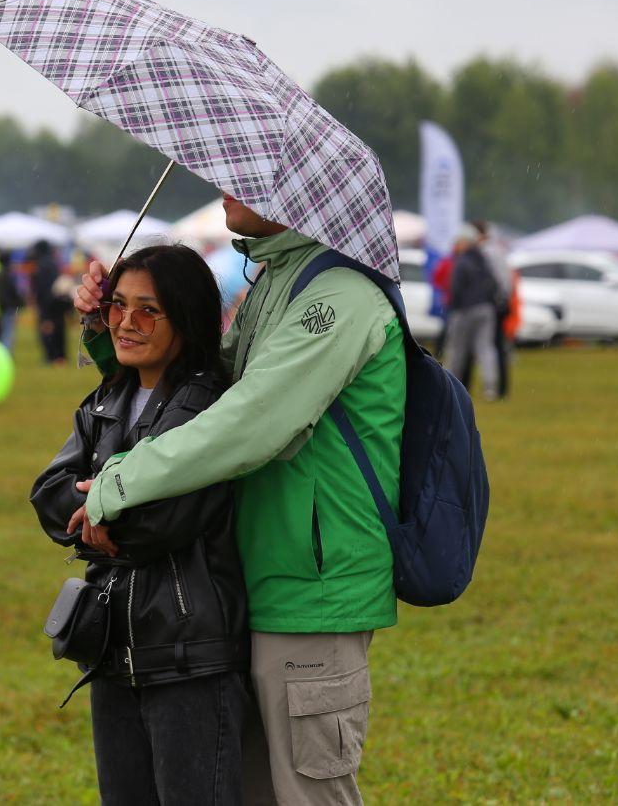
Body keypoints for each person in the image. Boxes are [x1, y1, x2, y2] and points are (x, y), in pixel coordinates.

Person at [74, 195, 406, 804]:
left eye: (245, 181)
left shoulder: (340, 297)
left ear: (298, 190)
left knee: (310, 798)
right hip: (250, 587)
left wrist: (121, 481)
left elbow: (249, 422)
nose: (228, 189)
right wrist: (110, 330)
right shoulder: (279, 280)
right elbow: (198, 384)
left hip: (314, 593)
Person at [32, 244, 249, 805]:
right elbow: (48, 492)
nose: (127, 322)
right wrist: (94, 513)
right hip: (112, 647)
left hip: (189, 656)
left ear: (189, 318)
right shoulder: (108, 397)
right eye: (119, 306)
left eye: (149, 310)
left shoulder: (208, 406)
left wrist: (99, 513)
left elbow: (165, 521)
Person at [443, 225, 500, 401]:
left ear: (464, 242)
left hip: (464, 310)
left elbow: (456, 288)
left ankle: (450, 387)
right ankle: (490, 388)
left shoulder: (461, 261)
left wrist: (452, 308)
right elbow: (494, 283)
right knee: (485, 348)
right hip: (486, 308)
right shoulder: (483, 259)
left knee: (457, 350)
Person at [474, 220, 512, 398]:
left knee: (494, 346)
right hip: (499, 302)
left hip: (494, 303)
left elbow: (498, 279)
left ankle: (499, 387)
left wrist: (499, 299)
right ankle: (501, 387)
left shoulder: (487, 252)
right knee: (497, 346)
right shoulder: (496, 249)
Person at [32, 240, 70, 365]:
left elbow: (43, 289)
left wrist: (44, 311)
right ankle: (60, 356)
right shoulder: (53, 263)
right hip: (57, 304)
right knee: (59, 330)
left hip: (47, 306)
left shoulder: (42, 266)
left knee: (48, 331)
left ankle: (52, 357)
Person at [0, 250, 24, 352]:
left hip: (3, 307)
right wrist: (19, 303)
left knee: (6, 330)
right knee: (8, 332)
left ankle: (4, 351)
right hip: (9, 307)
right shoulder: (7, 274)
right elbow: (13, 291)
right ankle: (5, 353)